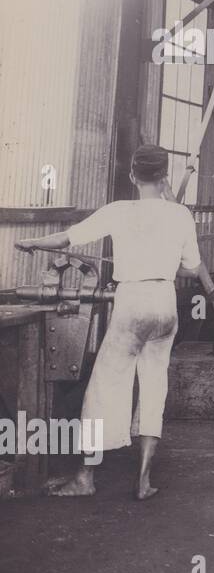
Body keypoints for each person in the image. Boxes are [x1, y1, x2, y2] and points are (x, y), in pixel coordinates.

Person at [14, 144, 201, 500]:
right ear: (164, 177)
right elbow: (192, 268)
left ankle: (85, 477)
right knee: (154, 386)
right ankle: (144, 480)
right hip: (165, 300)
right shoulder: (180, 215)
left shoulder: (118, 211)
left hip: (132, 301)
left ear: (133, 176)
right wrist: (162, 264)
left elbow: (65, 239)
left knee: (105, 388)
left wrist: (31, 243)